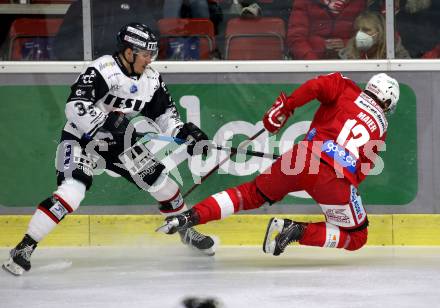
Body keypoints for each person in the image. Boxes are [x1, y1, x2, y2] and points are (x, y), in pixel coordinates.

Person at [3, 22, 215, 276]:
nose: (150, 59)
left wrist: (184, 133)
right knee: (72, 192)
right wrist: (104, 123)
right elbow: (75, 105)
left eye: (151, 53)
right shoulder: (103, 69)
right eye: (145, 54)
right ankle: (24, 247)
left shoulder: (151, 79)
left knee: (164, 185)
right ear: (129, 52)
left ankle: (185, 230)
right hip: (82, 139)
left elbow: (165, 115)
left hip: (121, 144)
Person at [157, 72, 399, 256]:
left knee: (249, 194)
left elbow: (316, 86)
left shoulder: (345, 86)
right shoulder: (382, 126)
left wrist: (287, 106)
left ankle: (190, 216)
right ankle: (296, 230)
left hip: (302, 156)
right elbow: (361, 170)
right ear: (387, 103)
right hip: (335, 178)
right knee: (357, 237)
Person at [53, 0, 164, 60]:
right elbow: (61, 44)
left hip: (124, 71)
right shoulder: (81, 5)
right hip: (86, 68)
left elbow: (152, 39)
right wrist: (81, 62)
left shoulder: (136, 5)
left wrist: (128, 61)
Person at [287, 0, 367, 59]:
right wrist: (312, 62)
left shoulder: (359, 2)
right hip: (311, 63)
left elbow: (368, 35)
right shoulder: (304, 2)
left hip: (350, 63)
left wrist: (347, 44)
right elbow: (296, 38)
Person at [339, 10, 410, 59]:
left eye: (366, 30)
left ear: (380, 32)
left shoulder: (397, 55)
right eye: (357, 30)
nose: (359, 34)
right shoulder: (346, 55)